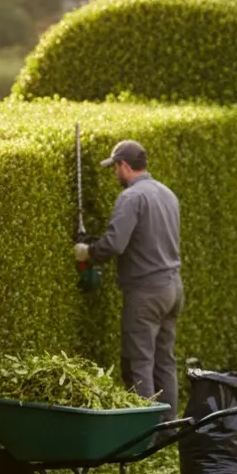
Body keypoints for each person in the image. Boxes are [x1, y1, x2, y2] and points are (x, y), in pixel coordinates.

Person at [74, 140, 183, 414]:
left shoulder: (131, 198)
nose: (115, 174)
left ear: (124, 165)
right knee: (164, 361)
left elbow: (114, 245)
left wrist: (88, 251)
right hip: (173, 287)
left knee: (139, 363)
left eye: (115, 168)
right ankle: (168, 428)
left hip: (146, 292)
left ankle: (144, 435)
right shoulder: (166, 193)